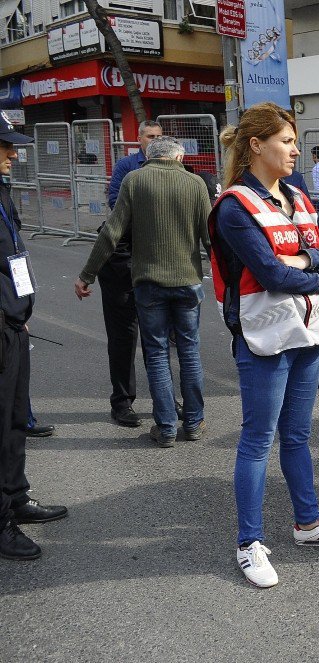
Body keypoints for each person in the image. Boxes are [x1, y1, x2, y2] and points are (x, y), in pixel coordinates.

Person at [210, 102, 319, 588]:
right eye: (287, 141)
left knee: (297, 437)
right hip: (264, 337)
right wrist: (318, 273)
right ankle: (248, 543)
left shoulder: (299, 194)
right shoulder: (234, 207)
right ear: (256, 145)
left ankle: (308, 524)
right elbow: (269, 273)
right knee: (256, 441)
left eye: (295, 141)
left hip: (310, 334)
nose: (295, 150)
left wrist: (305, 261)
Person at [75, 136, 212, 447]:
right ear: (179, 157)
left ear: (148, 156)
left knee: (157, 353)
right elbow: (210, 237)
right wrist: (232, 282)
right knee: (189, 353)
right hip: (188, 282)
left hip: (148, 284)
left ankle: (164, 428)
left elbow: (112, 231)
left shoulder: (134, 180)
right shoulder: (195, 184)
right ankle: (193, 423)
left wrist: (87, 275)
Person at [0, 113, 67, 561]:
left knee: (14, 420)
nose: (13, 153)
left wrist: (18, 311)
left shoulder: (2, 192)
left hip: (12, 323)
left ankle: (15, 496)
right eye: (4, 145)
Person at [102, 120, 163, 428]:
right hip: (125, 257)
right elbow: (115, 203)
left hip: (156, 258)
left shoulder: (170, 165)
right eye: (149, 137)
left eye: (158, 137)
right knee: (124, 334)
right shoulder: (127, 166)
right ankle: (122, 402)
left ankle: (164, 399)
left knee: (158, 334)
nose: (154, 141)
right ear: (138, 139)